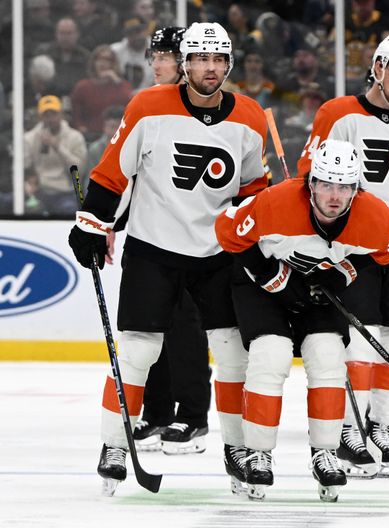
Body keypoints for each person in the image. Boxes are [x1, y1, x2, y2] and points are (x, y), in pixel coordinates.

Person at [66, 22, 268, 497]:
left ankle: (236, 448)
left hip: (218, 254)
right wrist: (92, 223)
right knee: (137, 352)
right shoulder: (148, 106)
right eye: (201, 59)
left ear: (229, 65)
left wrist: (259, 242)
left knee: (234, 355)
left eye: (219, 60)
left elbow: (254, 191)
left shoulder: (251, 117)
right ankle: (114, 444)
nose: (210, 69)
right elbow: (113, 171)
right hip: (154, 249)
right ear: (186, 64)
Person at [215, 138, 389, 502]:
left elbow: (388, 248)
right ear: (312, 183)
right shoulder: (276, 202)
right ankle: (258, 452)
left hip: (319, 286)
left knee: (328, 354)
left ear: (355, 189)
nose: (335, 195)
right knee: (271, 354)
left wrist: (345, 271)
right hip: (262, 285)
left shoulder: (375, 217)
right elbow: (227, 232)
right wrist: (274, 277)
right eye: (327, 184)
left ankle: (325, 452)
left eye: (344, 187)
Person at [297, 34, 389, 478]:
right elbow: (311, 177)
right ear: (377, 67)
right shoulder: (338, 113)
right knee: (360, 339)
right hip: (357, 248)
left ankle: (379, 424)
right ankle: (348, 429)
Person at [126, 26, 213, 455]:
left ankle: (193, 415)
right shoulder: (149, 106)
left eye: (163, 56)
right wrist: (110, 221)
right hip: (151, 240)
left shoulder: (200, 110)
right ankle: (157, 412)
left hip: (196, 242)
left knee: (186, 331)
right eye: (154, 56)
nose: (155, 64)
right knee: (150, 331)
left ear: (184, 61)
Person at [24, 94, 87, 216]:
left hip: (65, 191)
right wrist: (29, 183)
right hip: (39, 191)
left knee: (69, 209)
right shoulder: (29, 138)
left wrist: (58, 147)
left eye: (54, 114)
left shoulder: (75, 137)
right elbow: (25, 167)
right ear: (40, 117)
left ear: (61, 115)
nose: (50, 118)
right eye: (46, 115)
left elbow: (80, 170)